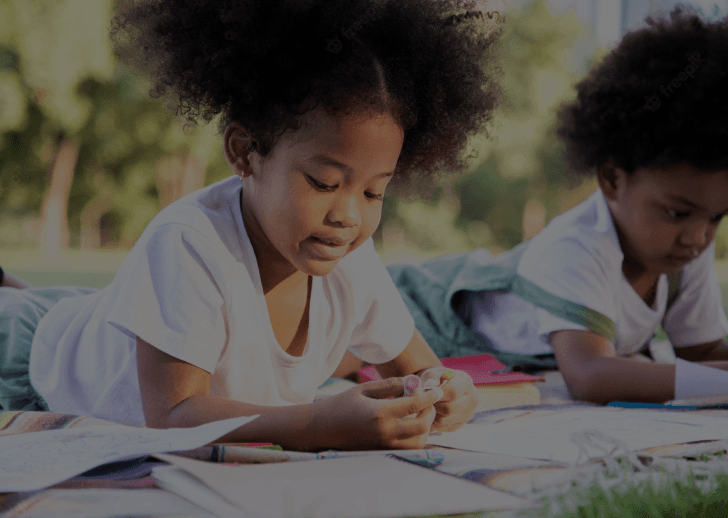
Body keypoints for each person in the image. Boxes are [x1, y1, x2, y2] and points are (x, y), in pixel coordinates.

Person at [0, 0, 503, 451]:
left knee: (63, 305)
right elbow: (174, 415)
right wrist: (319, 422)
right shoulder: (188, 243)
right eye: (324, 181)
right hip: (29, 358)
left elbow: (422, 369)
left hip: (89, 321)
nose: (348, 215)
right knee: (24, 310)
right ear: (244, 153)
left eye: (374, 192)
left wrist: (448, 393)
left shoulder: (351, 258)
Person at [384, 6, 728, 405]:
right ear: (612, 178)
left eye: (718, 216)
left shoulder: (683, 253)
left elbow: (700, 354)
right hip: (424, 313)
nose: (700, 237)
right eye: (677, 213)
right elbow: (591, 376)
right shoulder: (577, 247)